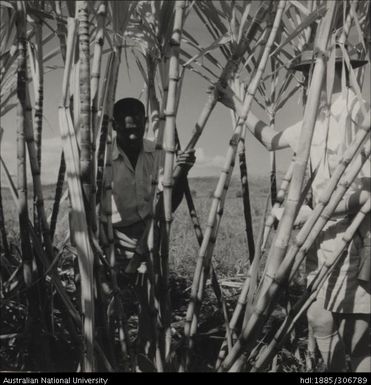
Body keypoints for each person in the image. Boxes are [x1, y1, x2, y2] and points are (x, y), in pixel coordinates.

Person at [220, 45, 370, 372]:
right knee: (319, 319)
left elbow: (369, 192)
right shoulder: (319, 116)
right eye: (304, 72)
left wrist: (314, 214)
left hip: (354, 240)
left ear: (332, 70)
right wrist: (238, 103)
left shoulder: (358, 114)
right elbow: (271, 139)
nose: (304, 78)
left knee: (357, 337)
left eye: (309, 71)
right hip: (323, 241)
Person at [100, 97, 196, 367]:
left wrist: (181, 172)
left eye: (138, 128)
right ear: (115, 125)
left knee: (151, 299)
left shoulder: (157, 153)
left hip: (149, 230)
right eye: (126, 129)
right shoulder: (103, 157)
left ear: (144, 123)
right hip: (112, 235)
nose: (133, 135)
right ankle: (111, 354)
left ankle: (145, 354)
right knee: (110, 298)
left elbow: (169, 199)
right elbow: (90, 200)